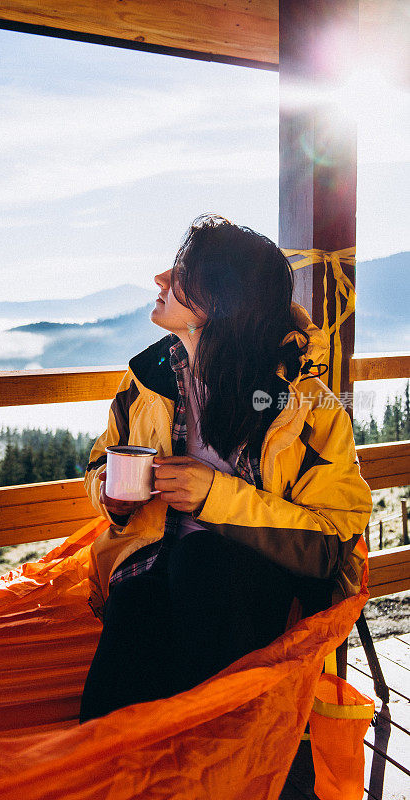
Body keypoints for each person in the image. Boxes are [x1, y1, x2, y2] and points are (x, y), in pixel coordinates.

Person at [79, 214, 372, 724]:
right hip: (154, 574)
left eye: (182, 271)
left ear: (222, 300)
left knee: (202, 564)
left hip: (253, 594)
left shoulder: (308, 409)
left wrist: (214, 496)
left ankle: (211, 745)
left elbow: (330, 544)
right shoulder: (146, 381)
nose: (161, 280)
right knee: (134, 602)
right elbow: (100, 461)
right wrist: (109, 495)